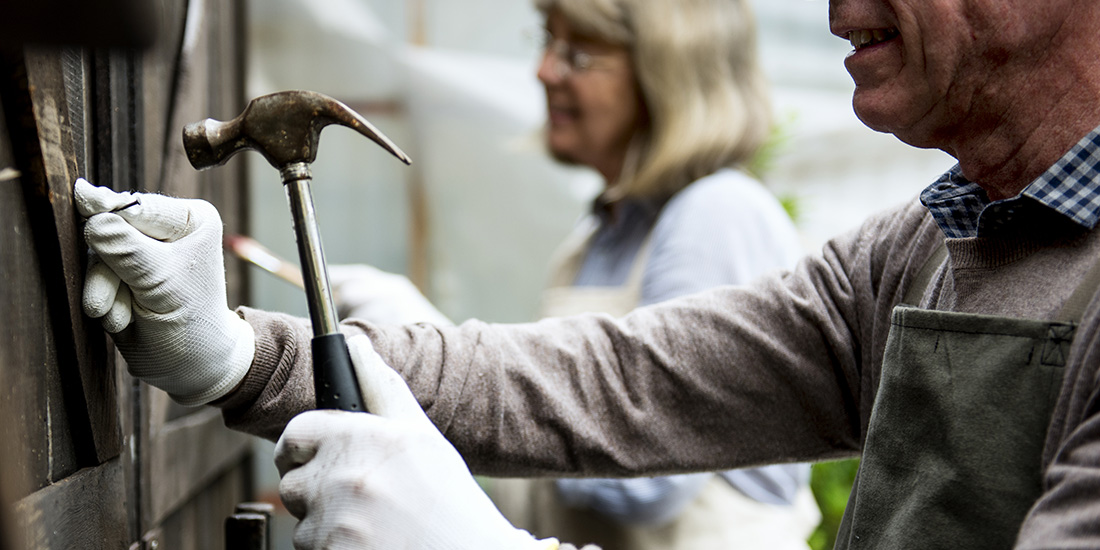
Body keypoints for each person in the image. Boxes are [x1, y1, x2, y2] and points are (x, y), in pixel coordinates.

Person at [73, 0, 1100, 547]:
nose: (835, 8)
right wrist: (241, 353)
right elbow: (614, 382)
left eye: (579, 48)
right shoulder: (920, 249)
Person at [327, 0, 818, 547]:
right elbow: (552, 470)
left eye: (579, 55)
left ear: (669, 75)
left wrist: (437, 368)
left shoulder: (717, 214)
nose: (544, 71)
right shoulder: (599, 236)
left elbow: (652, 475)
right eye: (546, 41)